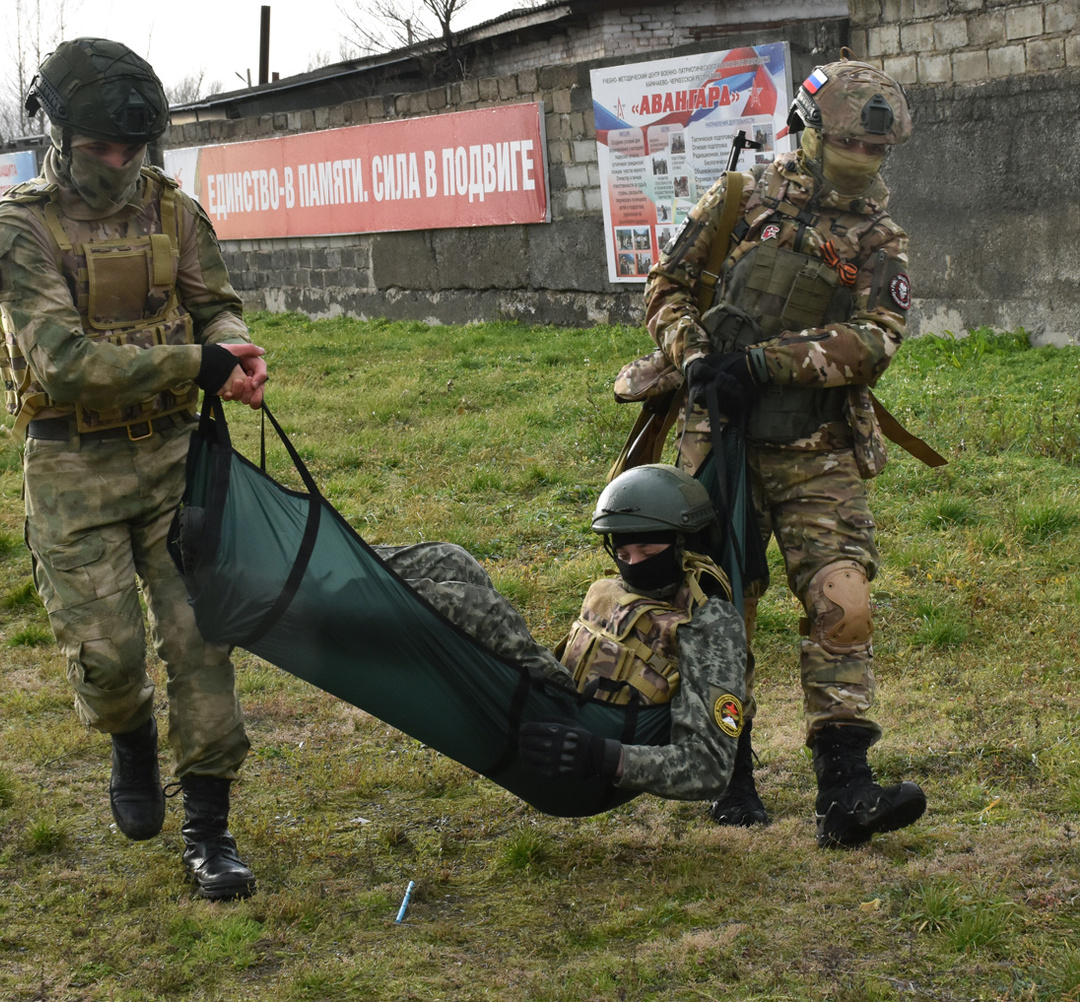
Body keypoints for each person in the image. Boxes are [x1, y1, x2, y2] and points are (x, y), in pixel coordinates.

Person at [0, 38, 266, 899]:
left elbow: (216, 306)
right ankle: (129, 739)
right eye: (103, 148)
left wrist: (235, 350)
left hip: (175, 459)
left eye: (134, 149)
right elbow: (62, 361)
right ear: (61, 137)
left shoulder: (174, 211)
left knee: (201, 642)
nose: (120, 164)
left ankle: (209, 828)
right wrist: (196, 366)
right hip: (73, 470)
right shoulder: (19, 228)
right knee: (107, 661)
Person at [643, 52, 927, 848]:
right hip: (723, 437)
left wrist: (768, 362)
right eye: (852, 145)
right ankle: (727, 767)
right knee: (722, 603)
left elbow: (877, 338)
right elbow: (664, 285)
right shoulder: (739, 200)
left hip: (817, 444)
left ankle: (846, 787)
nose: (865, 161)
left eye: (878, 151)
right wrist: (695, 356)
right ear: (807, 131)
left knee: (845, 603)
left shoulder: (879, 236)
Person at [377, 463, 748, 801]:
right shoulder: (632, 590)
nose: (632, 565)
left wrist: (602, 755)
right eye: (622, 553)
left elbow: (707, 769)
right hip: (566, 701)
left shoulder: (709, 627)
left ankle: (351, 595)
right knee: (452, 560)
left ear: (683, 544)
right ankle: (339, 566)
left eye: (647, 552)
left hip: (585, 746)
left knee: (485, 613)